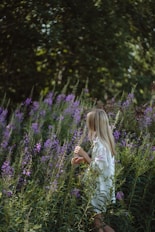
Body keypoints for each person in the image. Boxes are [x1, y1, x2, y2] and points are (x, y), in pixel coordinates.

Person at [71, 109, 116, 232]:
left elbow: (97, 168)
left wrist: (84, 153)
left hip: (100, 189)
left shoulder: (101, 145)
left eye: (89, 122)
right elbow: (99, 164)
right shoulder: (103, 143)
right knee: (99, 222)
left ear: (94, 124)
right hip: (102, 187)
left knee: (97, 223)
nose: (87, 125)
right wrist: (83, 160)